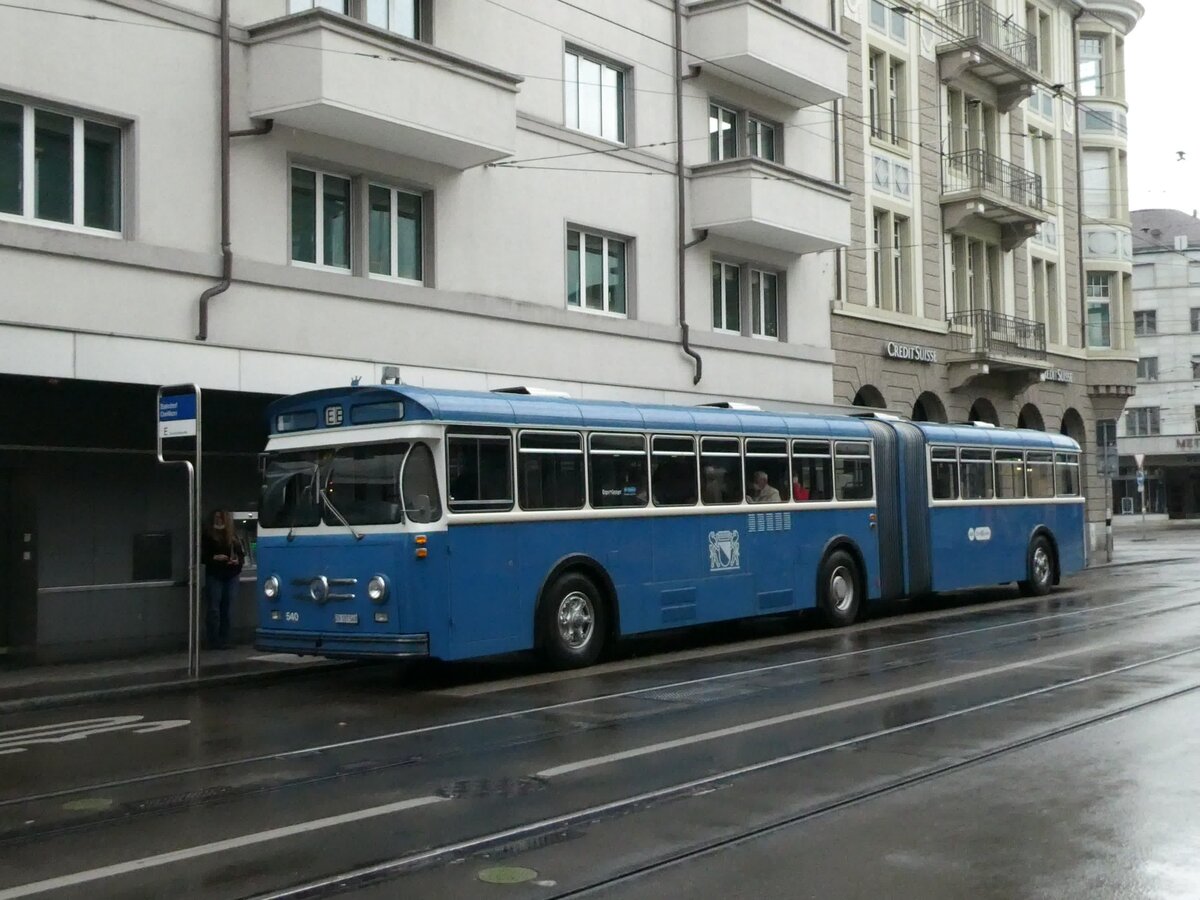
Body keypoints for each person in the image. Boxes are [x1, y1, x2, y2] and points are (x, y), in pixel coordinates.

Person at [201, 510, 244, 649]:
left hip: (230, 574)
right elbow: (202, 556)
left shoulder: (232, 537)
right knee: (214, 609)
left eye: (220, 517)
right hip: (215, 574)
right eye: (216, 517)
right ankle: (214, 639)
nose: (218, 520)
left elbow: (241, 556)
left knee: (227, 608)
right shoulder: (208, 535)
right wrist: (215, 557)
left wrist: (237, 561)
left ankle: (224, 639)